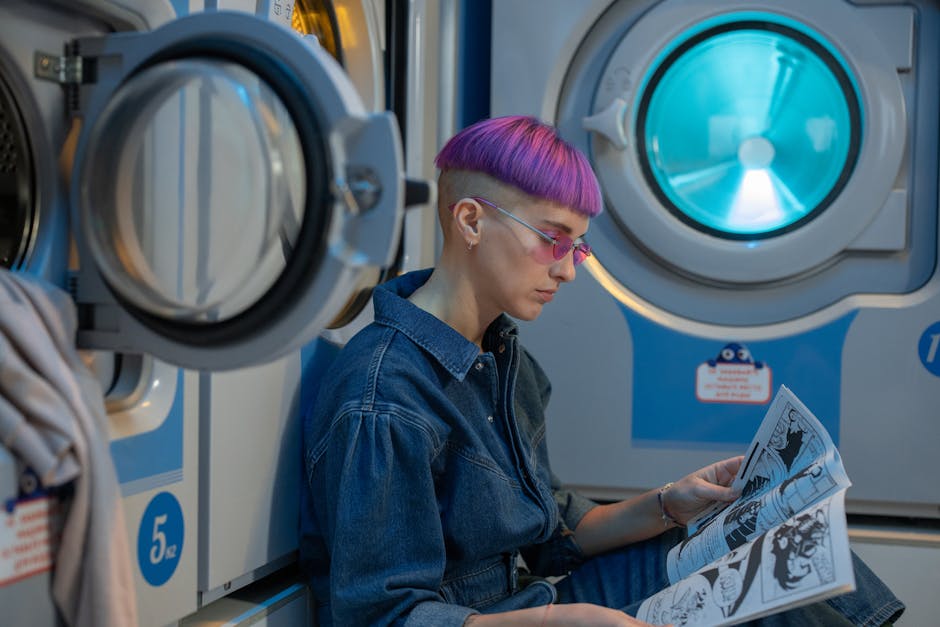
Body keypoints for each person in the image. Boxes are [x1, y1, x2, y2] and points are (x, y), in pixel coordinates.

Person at [299, 115, 904, 626]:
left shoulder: (504, 357)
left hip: (540, 597)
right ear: (471, 221)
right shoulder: (385, 396)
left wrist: (670, 503)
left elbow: (551, 527)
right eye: (553, 239)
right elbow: (384, 617)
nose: (568, 270)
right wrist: (556, 621)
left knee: (797, 543)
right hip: (518, 615)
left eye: (579, 247)